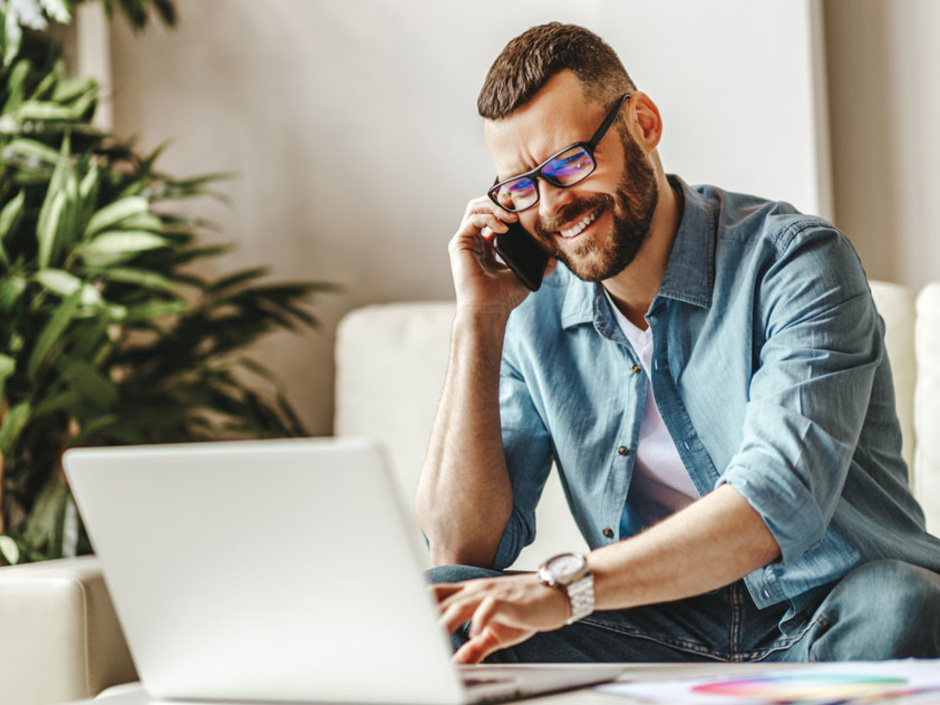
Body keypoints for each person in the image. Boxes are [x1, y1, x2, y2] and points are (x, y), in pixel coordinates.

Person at [415, 22, 940, 666]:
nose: (553, 206)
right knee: (441, 607)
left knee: (903, 602)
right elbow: (461, 548)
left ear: (643, 122)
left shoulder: (796, 261)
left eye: (570, 161)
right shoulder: (532, 312)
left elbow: (774, 502)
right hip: (661, 628)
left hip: (829, 607)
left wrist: (568, 589)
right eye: (522, 187)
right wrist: (479, 320)